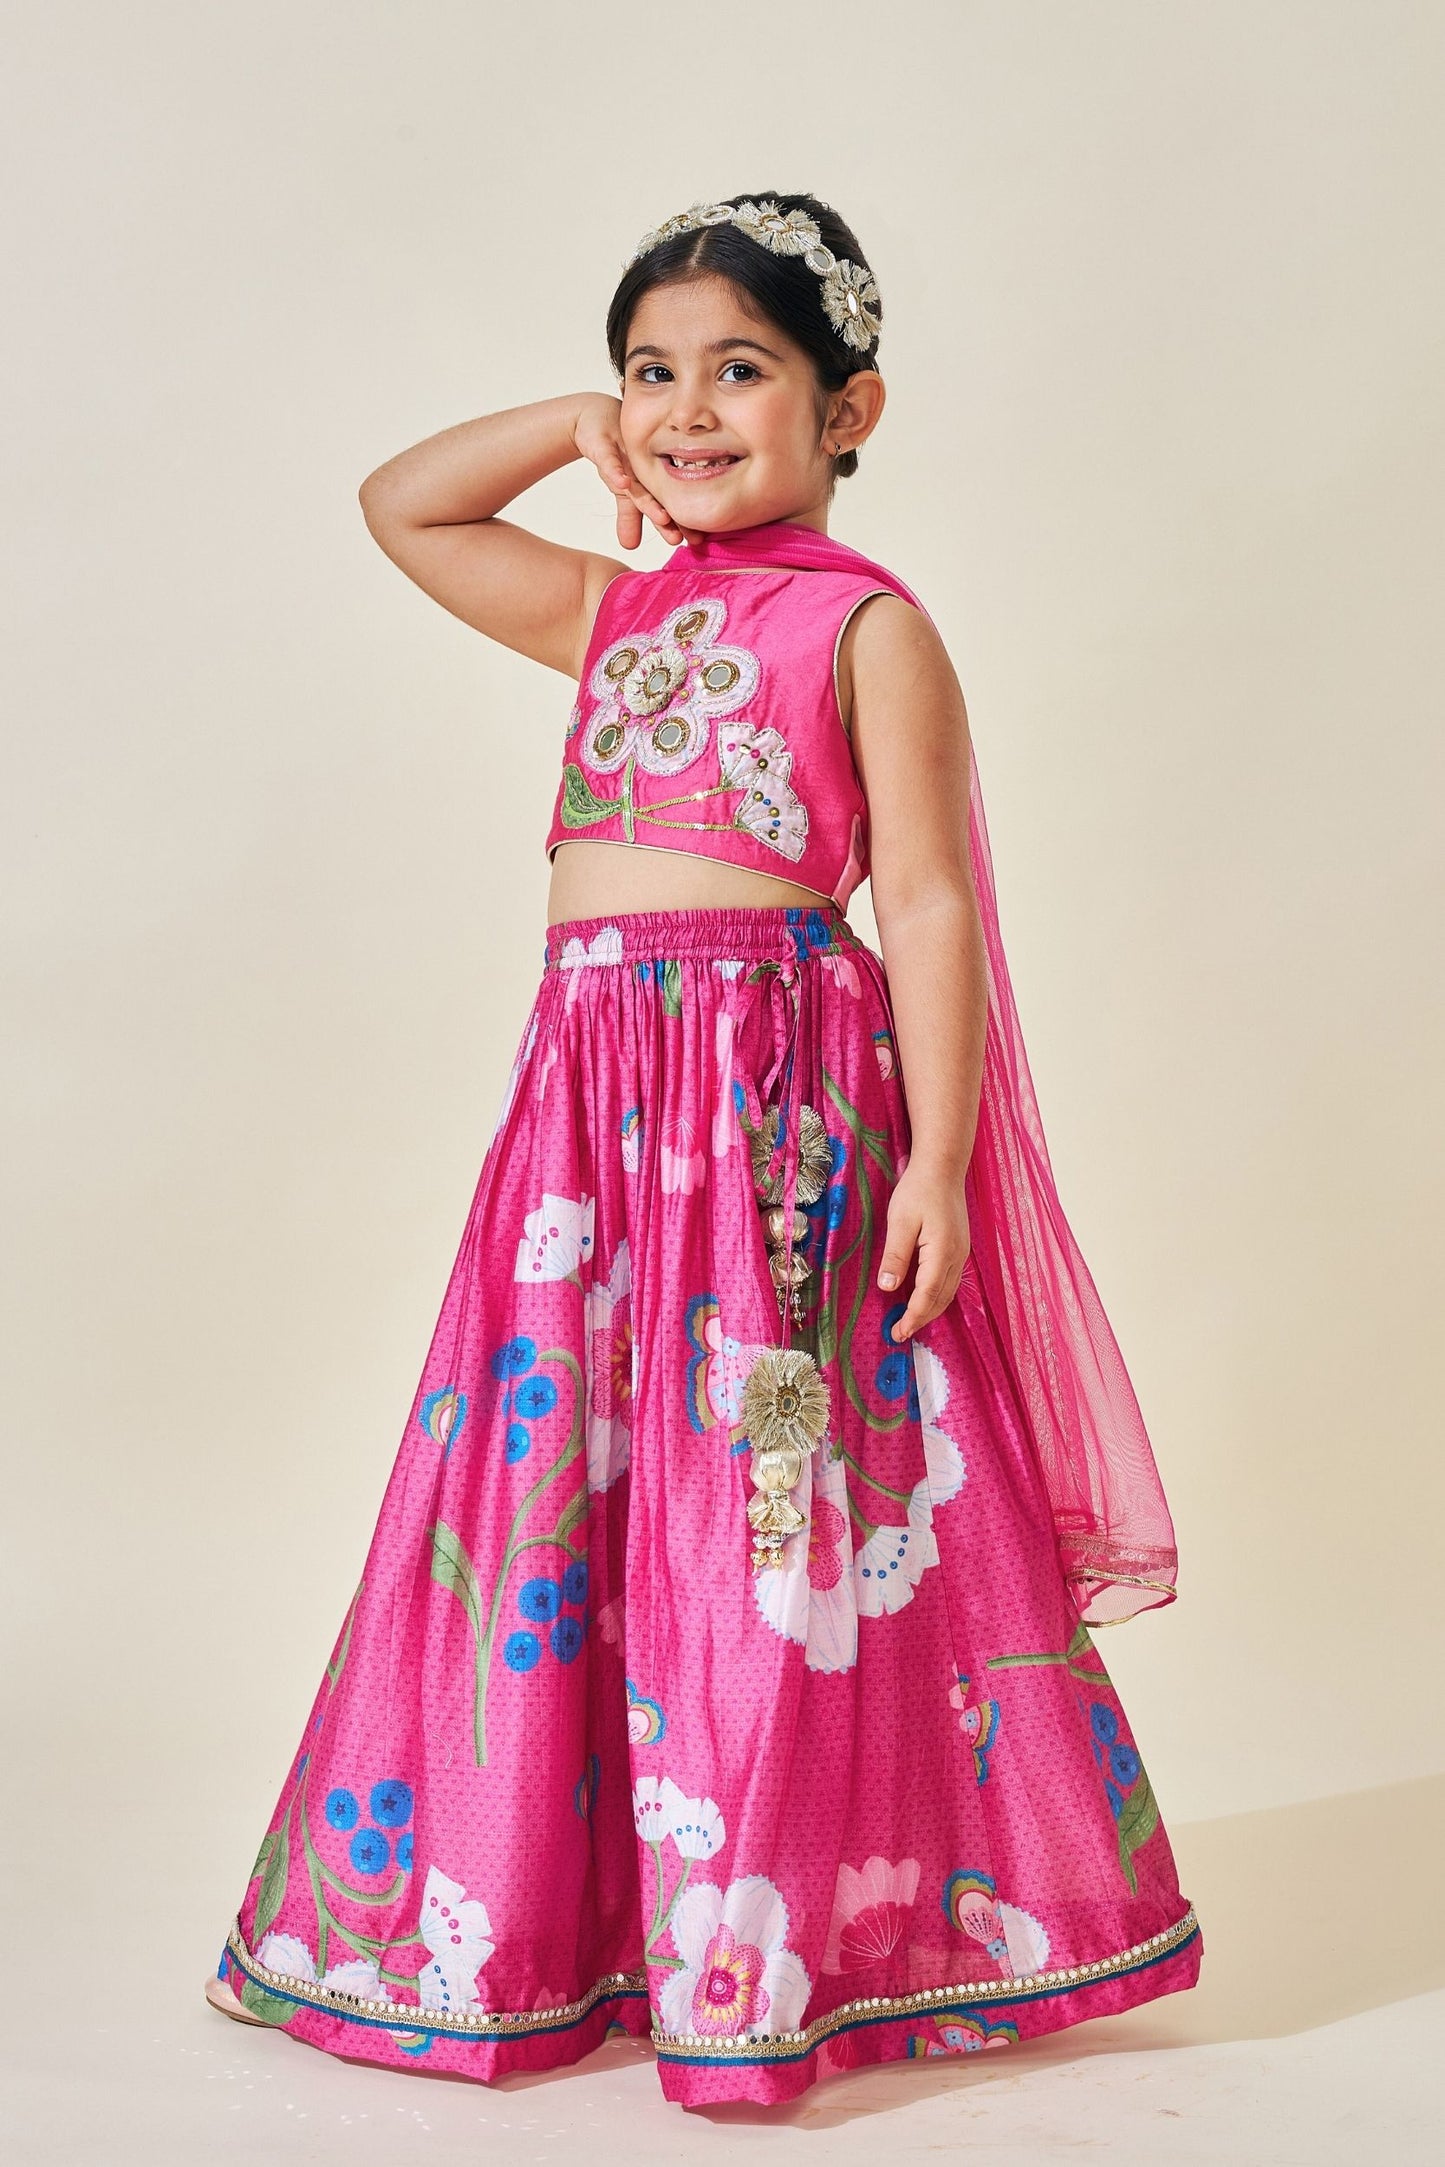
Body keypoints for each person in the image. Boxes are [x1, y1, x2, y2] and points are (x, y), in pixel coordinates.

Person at [205, 192, 1200, 2110]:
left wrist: (935, 1164)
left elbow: (925, 900)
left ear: (849, 409)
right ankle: (533, 1923)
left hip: (769, 1123)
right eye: (651, 372)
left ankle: (763, 1941)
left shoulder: (866, 625)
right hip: (585, 1122)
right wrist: (567, 421)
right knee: (542, 1489)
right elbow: (406, 506)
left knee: (765, 1496)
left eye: (738, 370)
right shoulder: (613, 613)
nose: (685, 410)